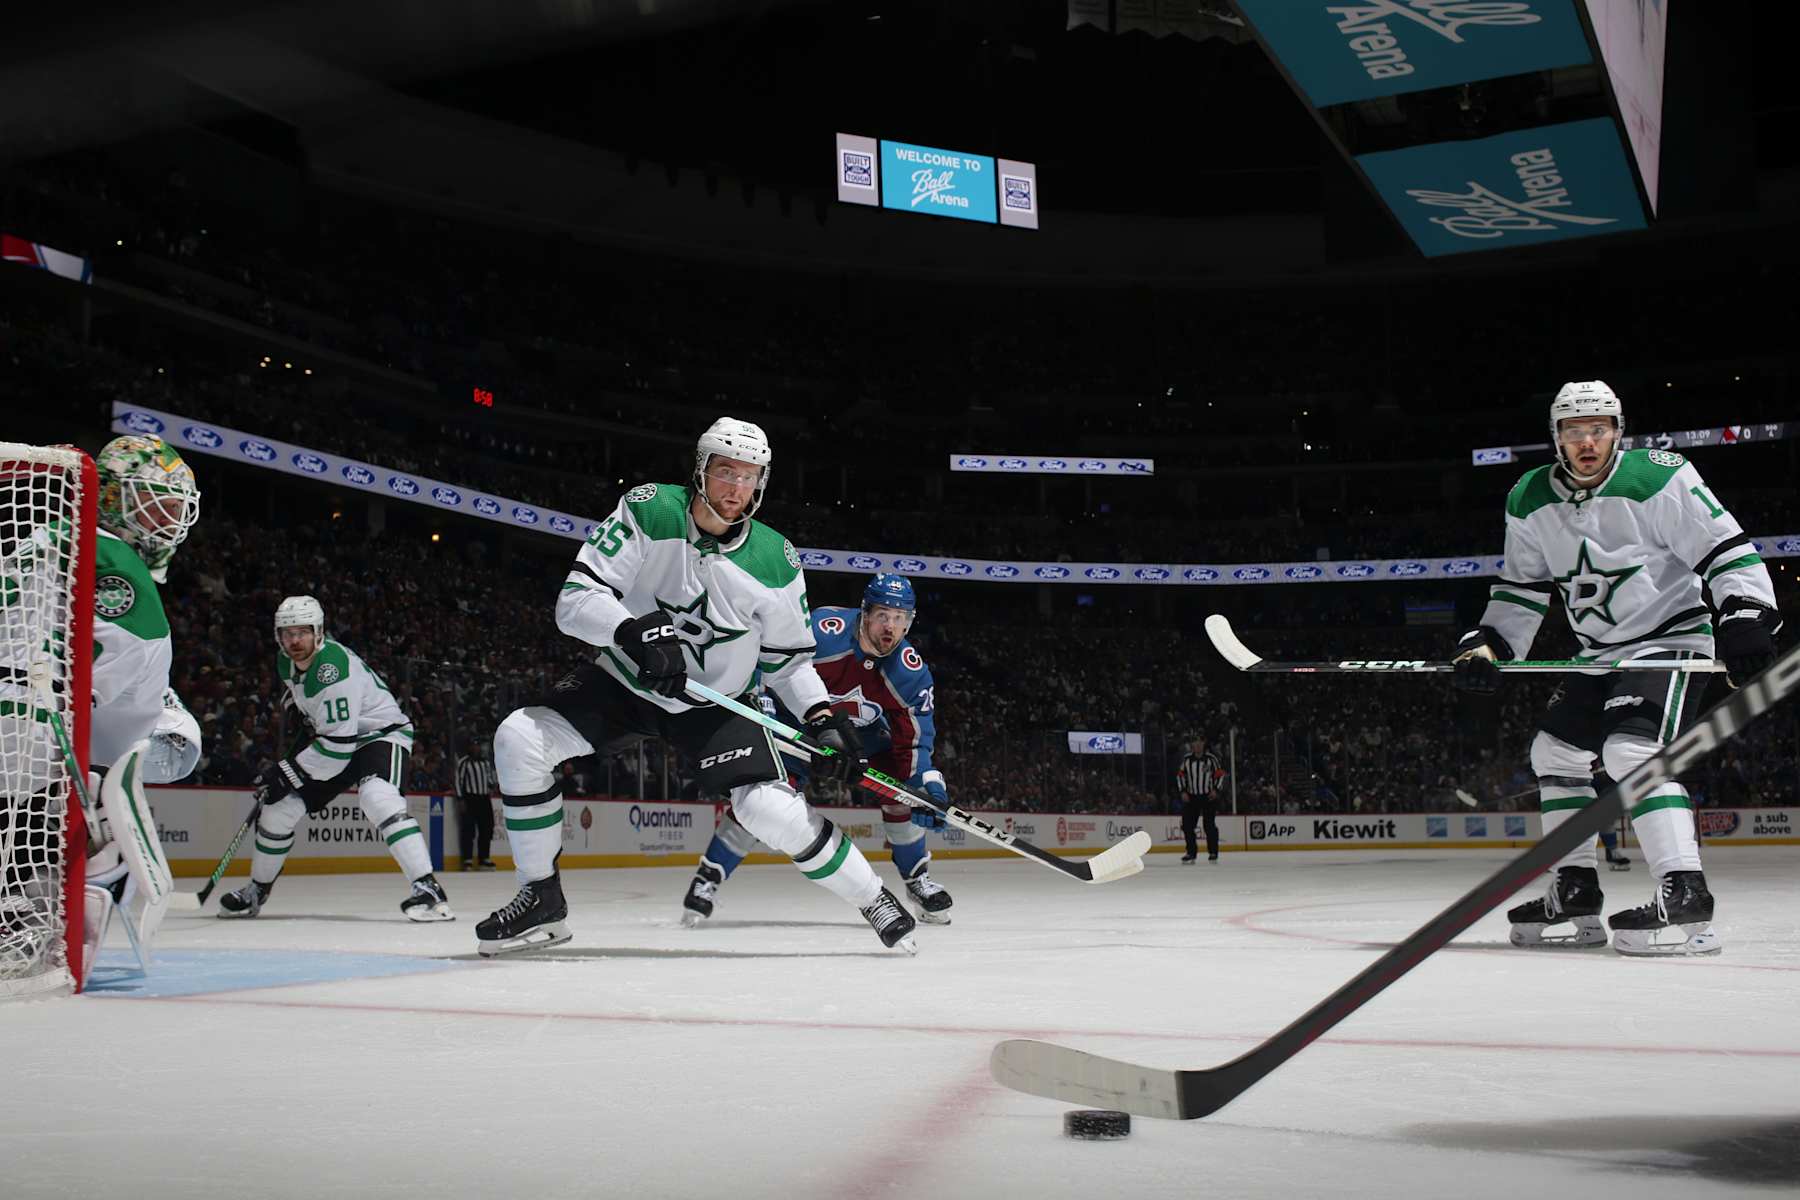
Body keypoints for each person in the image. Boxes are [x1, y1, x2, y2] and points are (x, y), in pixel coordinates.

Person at [478, 418, 915, 956]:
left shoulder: (777, 560)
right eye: (726, 471)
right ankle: (541, 898)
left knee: (766, 810)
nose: (736, 488)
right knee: (520, 739)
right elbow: (574, 601)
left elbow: (789, 665)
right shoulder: (647, 508)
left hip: (717, 701)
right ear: (701, 470)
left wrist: (822, 718)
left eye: (749, 476)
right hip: (624, 680)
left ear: (762, 483)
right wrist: (630, 634)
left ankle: (874, 898)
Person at [1452, 381, 1780, 957]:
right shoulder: (1528, 496)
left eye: (1599, 429)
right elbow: (1522, 588)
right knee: (1553, 754)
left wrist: (1746, 614)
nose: (1587, 441)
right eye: (1574, 431)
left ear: (1618, 432)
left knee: (1632, 751)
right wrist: (1491, 645)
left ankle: (1685, 892)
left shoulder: (1659, 477)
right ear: (1556, 437)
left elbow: (1728, 550)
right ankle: (1575, 888)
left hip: (1672, 640)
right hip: (1599, 653)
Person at [2, 436, 201, 978]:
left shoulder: (48, 537)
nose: (170, 517)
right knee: (110, 786)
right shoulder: (111, 555)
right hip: (43, 721)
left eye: (177, 505)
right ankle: (63, 893)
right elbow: (126, 658)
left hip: (29, 711)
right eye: (155, 500)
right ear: (112, 495)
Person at [679, 572, 955, 927]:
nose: (890, 627)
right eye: (883, 615)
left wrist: (925, 784)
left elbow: (914, 740)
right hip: (796, 728)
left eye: (900, 619)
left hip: (861, 740)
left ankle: (917, 881)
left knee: (903, 792)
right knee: (763, 797)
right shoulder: (823, 632)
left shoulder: (910, 673)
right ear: (865, 613)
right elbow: (765, 661)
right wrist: (762, 707)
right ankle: (708, 878)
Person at [216, 596, 453, 922]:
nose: (295, 641)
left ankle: (428, 888)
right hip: (336, 739)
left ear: (319, 632)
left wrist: (286, 772)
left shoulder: (332, 671)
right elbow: (316, 716)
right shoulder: (286, 662)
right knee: (277, 810)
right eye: (287, 633)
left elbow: (338, 749)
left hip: (378, 736)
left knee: (378, 798)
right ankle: (257, 890)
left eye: (302, 632)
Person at [1175, 734, 1224, 863]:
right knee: (1187, 825)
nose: (1197, 745)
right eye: (1195, 743)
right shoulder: (1187, 760)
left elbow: (1220, 774)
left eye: (1199, 743)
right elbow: (1180, 776)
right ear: (1192, 745)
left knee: (1209, 826)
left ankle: (1213, 852)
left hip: (1208, 797)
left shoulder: (1211, 759)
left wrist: (1216, 790)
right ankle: (1191, 852)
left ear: (1203, 744)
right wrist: (1183, 791)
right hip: (1191, 797)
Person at [454, 740, 498, 870]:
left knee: (487, 828)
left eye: (478, 746)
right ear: (469, 747)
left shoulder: (485, 763)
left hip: (484, 798)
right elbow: (458, 780)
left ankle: (484, 858)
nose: (476, 748)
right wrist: (460, 799)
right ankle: (467, 860)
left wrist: (493, 785)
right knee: (468, 830)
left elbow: (490, 779)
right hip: (470, 798)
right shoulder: (464, 762)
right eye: (473, 745)